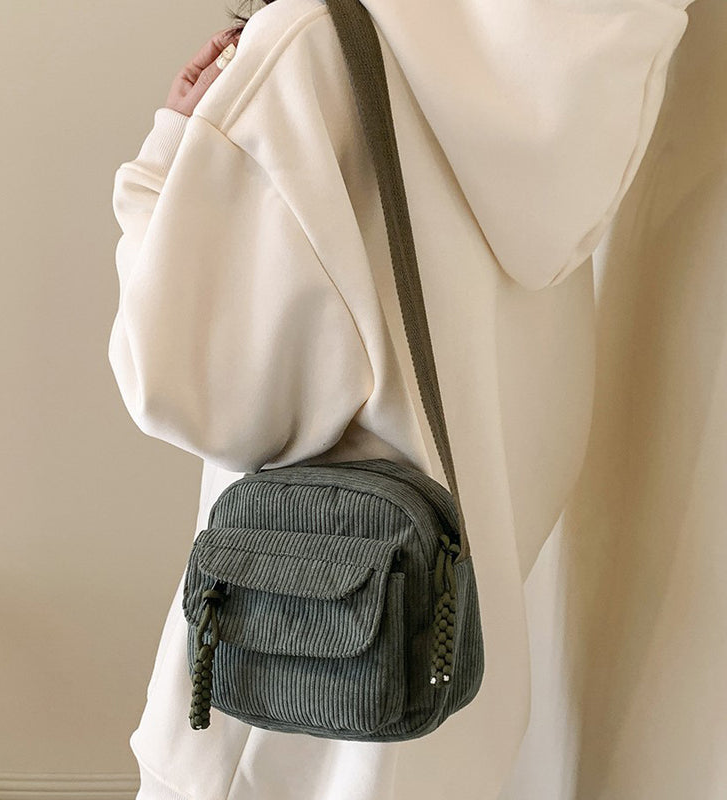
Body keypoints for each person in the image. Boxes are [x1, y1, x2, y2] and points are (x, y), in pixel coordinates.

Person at [107, 0, 696, 798]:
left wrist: (162, 163)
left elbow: (183, 387)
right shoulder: (578, 55)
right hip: (453, 668)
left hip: (292, 679)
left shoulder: (307, 48)